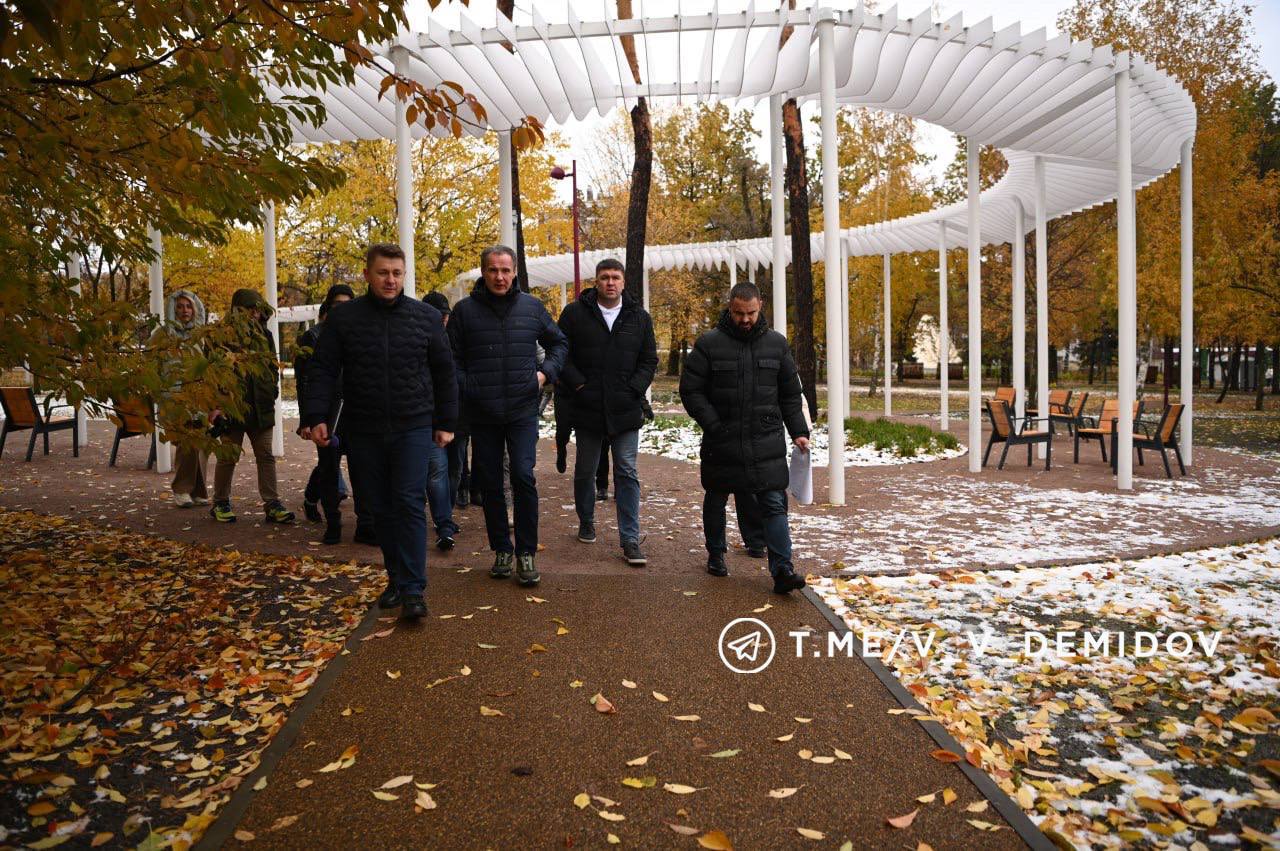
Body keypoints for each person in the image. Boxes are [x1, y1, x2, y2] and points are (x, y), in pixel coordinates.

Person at [302, 244, 457, 620]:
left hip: (413, 425)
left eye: (397, 273)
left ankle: (414, 588)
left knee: (407, 501)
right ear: (368, 274)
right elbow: (322, 369)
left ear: (405, 276)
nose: (390, 280)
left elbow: (444, 371)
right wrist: (315, 416)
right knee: (378, 507)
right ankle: (396, 578)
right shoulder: (345, 320)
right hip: (364, 427)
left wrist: (447, 423)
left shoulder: (425, 318)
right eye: (383, 272)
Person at [679, 282, 810, 594]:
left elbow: (790, 395)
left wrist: (800, 432)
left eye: (750, 313)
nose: (745, 319)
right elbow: (690, 390)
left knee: (774, 504)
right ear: (730, 307)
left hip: (765, 441)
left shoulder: (777, 345)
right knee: (716, 497)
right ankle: (716, 554)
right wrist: (712, 424)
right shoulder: (709, 343)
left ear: (760, 305)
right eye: (739, 313)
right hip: (721, 439)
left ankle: (782, 570)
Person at [449, 245, 566, 587]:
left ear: (514, 272)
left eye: (505, 270)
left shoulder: (531, 308)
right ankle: (502, 548)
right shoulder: (465, 312)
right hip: (482, 412)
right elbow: (449, 358)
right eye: (492, 270)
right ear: (483, 273)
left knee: (522, 476)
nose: (500, 277)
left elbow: (559, 343)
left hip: (521, 410)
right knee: (489, 484)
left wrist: (545, 374)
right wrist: (467, 384)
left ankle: (526, 552)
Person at [555, 258, 657, 566]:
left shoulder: (638, 317)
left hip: (625, 409)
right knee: (586, 469)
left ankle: (629, 538)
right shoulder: (575, 314)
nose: (610, 282)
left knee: (626, 471)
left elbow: (648, 359)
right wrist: (579, 386)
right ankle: (586, 520)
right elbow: (561, 353)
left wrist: (634, 389)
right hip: (587, 408)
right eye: (604, 277)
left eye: (615, 277)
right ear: (596, 281)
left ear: (624, 282)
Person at [209, 289, 295, 525]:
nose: (255, 315)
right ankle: (220, 502)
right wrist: (217, 405)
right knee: (228, 456)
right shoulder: (220, 337)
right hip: (232, 409)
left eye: (258, 310)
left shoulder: (265, 335)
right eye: (250, 310)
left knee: (266, 456)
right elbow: (212, 373)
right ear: (238, 311)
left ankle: (272, 504)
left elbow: (270, 367)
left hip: (262, 407)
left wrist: (272, 392)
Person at [294, 284, 362, 545]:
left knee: (358, 469)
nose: (342, 310)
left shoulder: (360, 333)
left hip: (356, 412)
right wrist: (307, 420)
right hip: (328, 413)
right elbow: (305, 382)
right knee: (329, 467)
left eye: (347, 304)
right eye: (337, 305)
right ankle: (332, 522)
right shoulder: (313, 337)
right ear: (328, 307)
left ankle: (363, 522)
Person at [153, 289, 209, 508]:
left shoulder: (201, 336)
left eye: (188, 306)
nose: (184, 311)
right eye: (180, 306)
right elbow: (151, 366)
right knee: (187, 443)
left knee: (201, 444)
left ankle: (198, 491)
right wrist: (162, 396)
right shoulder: (162, 335)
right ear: (172, 308)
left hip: (200, 398)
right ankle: (181, 489)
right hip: (173, 399)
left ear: (195, 309)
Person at [421, 291, 459, 549]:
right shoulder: (421, 338)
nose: (444, 319)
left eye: (445, 315)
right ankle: (444, 524)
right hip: (424, 418)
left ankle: (445, 523)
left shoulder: (451, 338)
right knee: (436, 473)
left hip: (445, 419)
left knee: (445, 472)